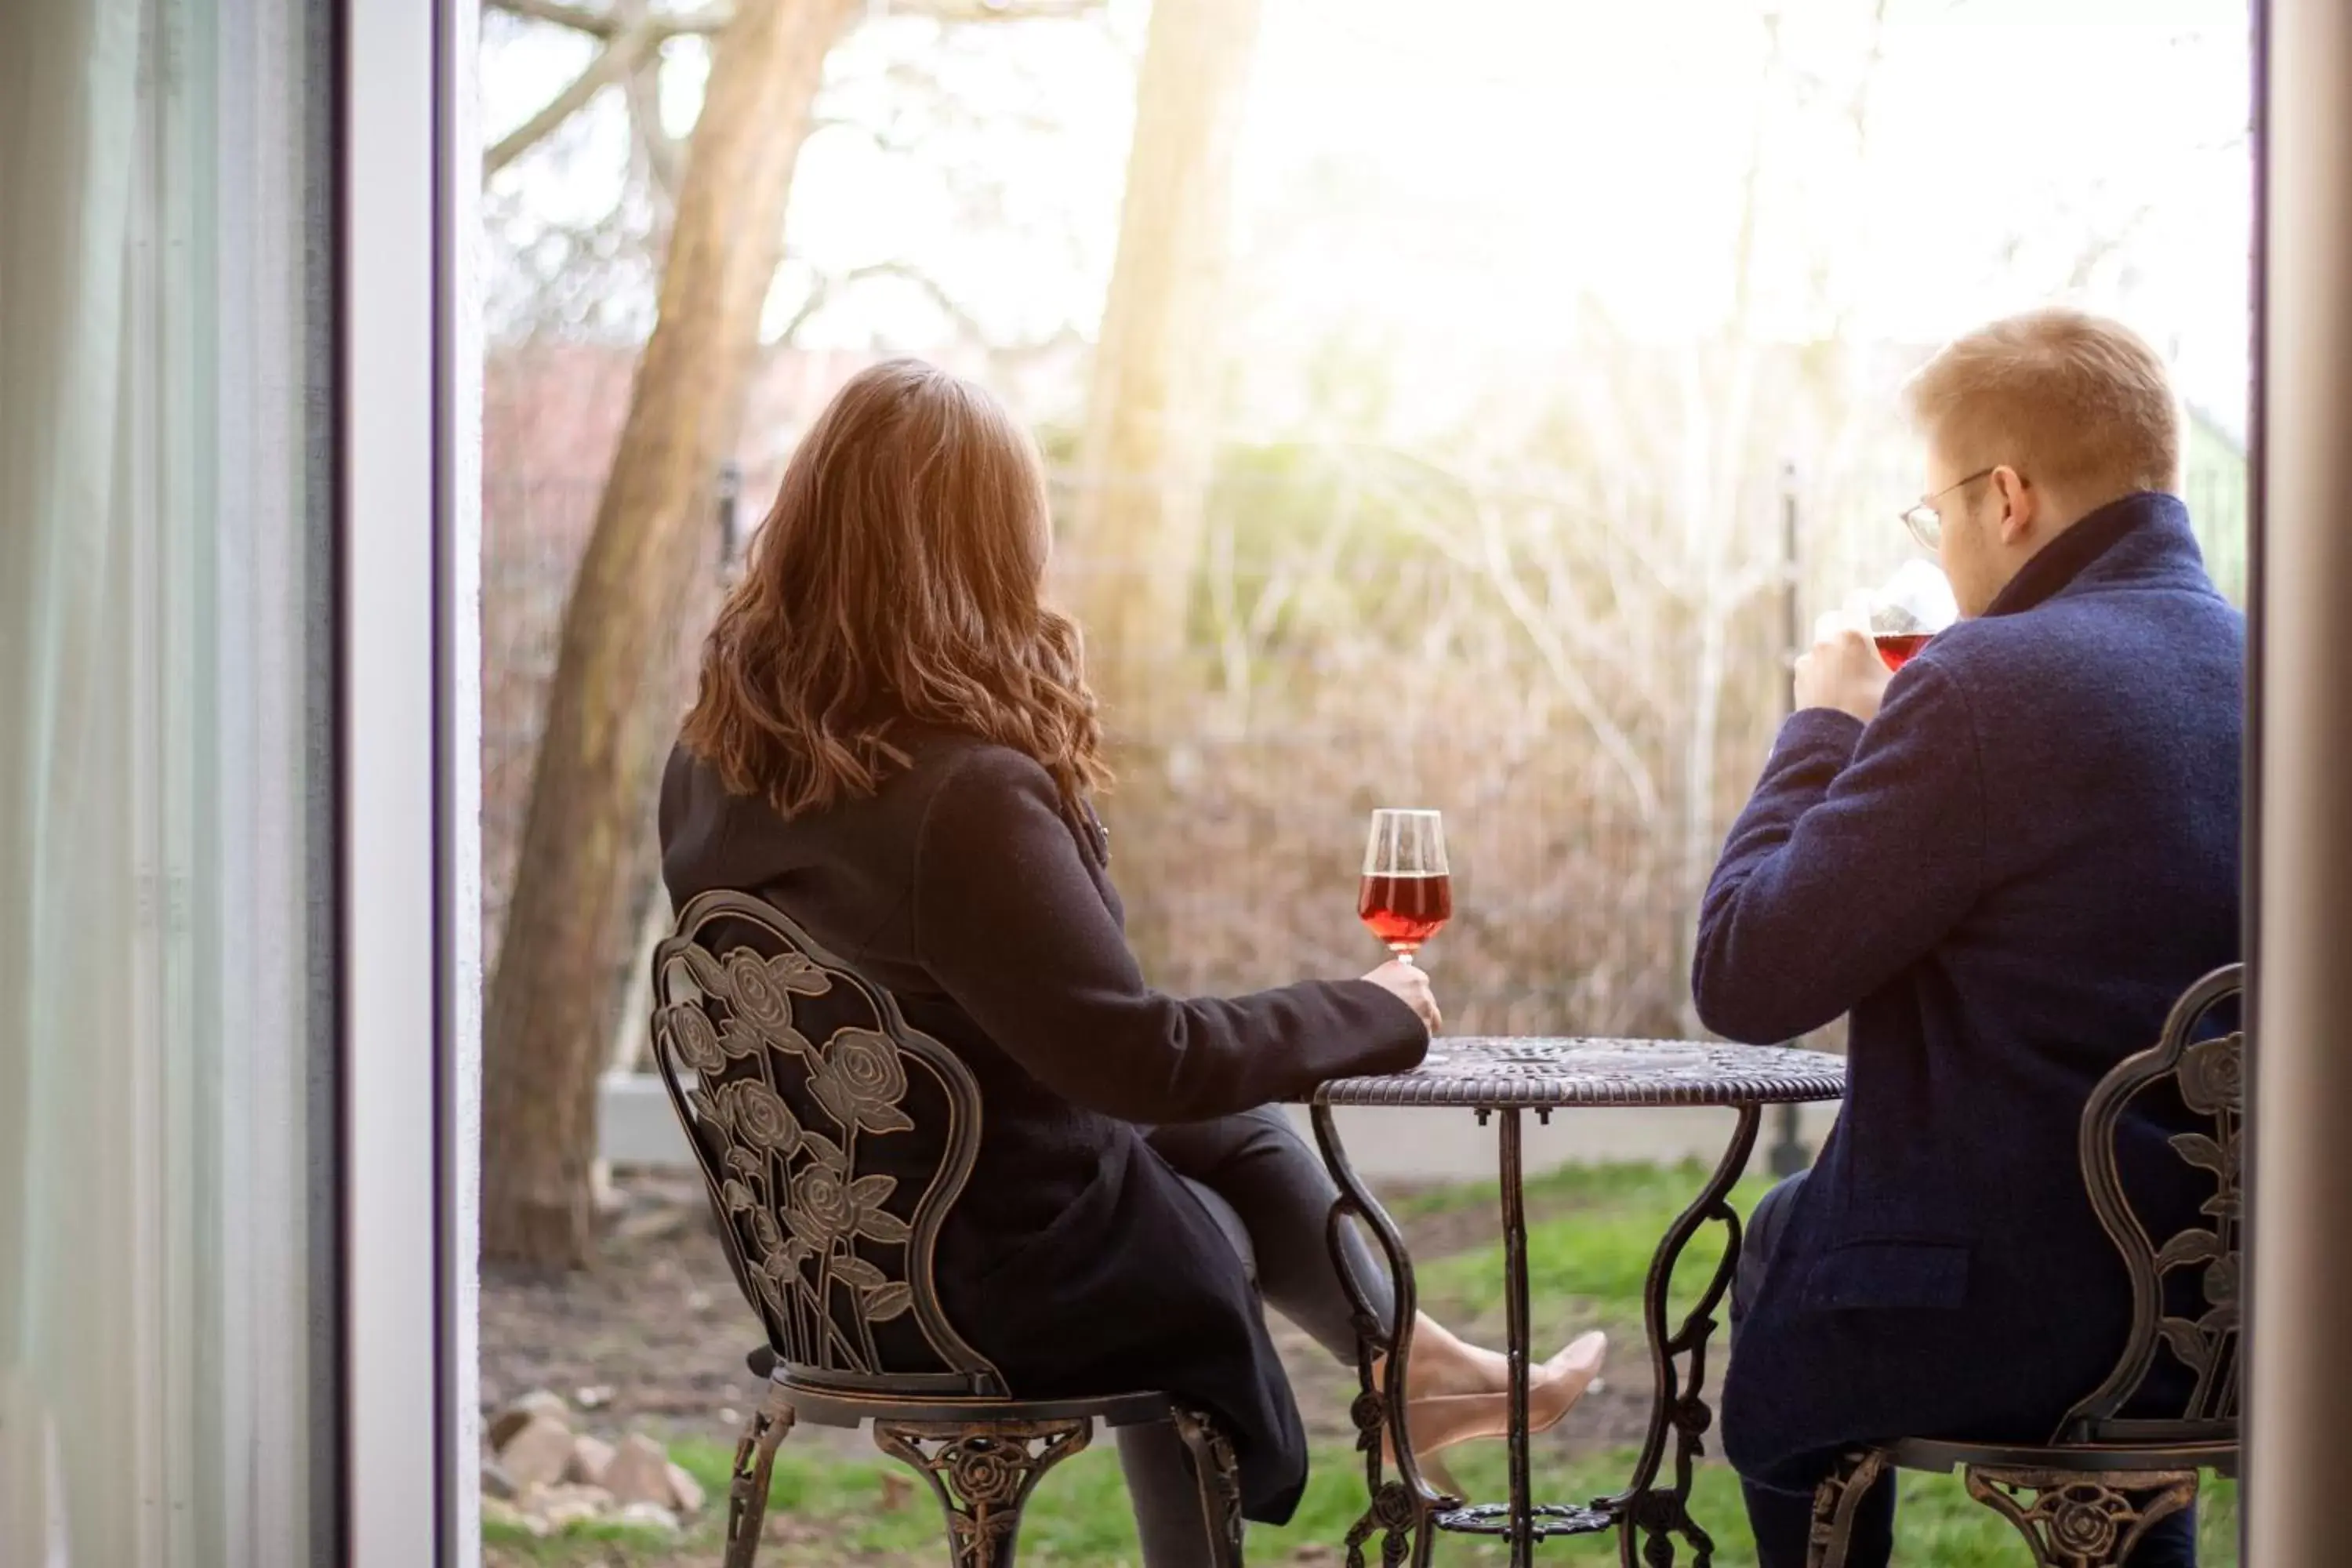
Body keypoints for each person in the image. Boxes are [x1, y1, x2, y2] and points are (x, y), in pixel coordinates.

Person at [660, 359, 1605, 1566]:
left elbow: (1030, 1044)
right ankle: (1399, 1381)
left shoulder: (715, 763)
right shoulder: (964, 792)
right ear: (989, 551)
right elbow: (1141, 1059)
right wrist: (1372, 1010)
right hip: (976, 1283)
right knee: (1200, 1215)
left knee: (1233, 1139)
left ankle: (1416, 1364)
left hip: (836, 1266)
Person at [1691, 309, 2241, 1568]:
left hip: (2008, 1317)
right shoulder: (2280, 671)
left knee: (1779, 1249)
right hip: (2239, 1315)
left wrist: (1822, 729)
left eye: (1933, 510)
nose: (1937, 542)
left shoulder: (1985, 682)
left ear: (2008, 497)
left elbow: (1747, 976)